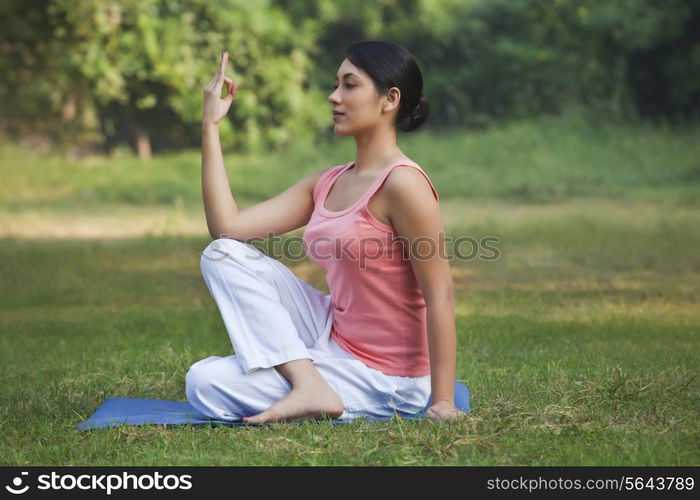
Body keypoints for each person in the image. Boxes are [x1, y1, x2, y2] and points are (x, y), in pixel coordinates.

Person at [187, 40, 465, 424]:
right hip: (332, 337)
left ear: (390, 99)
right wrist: (210, 126)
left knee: (206, 384)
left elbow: (440, 294)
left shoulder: (404, 185)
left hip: (385, 376)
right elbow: (227, 228)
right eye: (336, 84)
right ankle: (309, 384)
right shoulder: (327, 182)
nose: (334, 97)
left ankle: (318, 387)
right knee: (222, 255)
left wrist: (443, 401)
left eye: (349, 85)